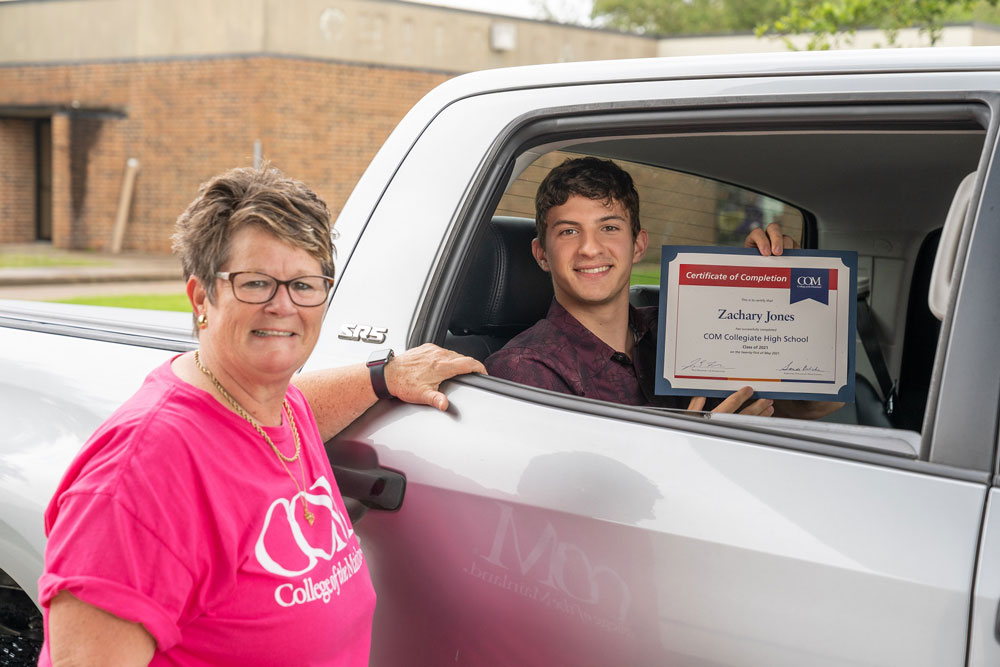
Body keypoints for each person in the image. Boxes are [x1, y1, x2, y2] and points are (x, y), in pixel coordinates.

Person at [38, 165, 485, 666]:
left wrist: (384, 375)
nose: (283, 306)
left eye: (304, 284)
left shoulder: (270, 405)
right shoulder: (137, 480)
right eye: (255, 283)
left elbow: (276, 411)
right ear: (201, 296)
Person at [486, 156, 840, 419]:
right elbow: (566, 501)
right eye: (568, 231)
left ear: (638, 245)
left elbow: (812, 405)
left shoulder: (686, 329)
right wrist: (694, 450)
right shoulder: (521, 370)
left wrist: (778, 291)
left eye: (609, 228)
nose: (590, 248)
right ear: (541, 254)